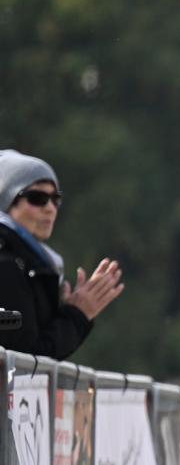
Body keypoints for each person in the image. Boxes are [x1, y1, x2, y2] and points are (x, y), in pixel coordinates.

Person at [0, 150, 123, 359]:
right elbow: (25, 361)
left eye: (55, 199)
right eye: (37, 198)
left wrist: (68, 314)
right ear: (5, 201)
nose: (50, 208)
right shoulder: (6, 265)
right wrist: (78, 314)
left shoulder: (27, 263)